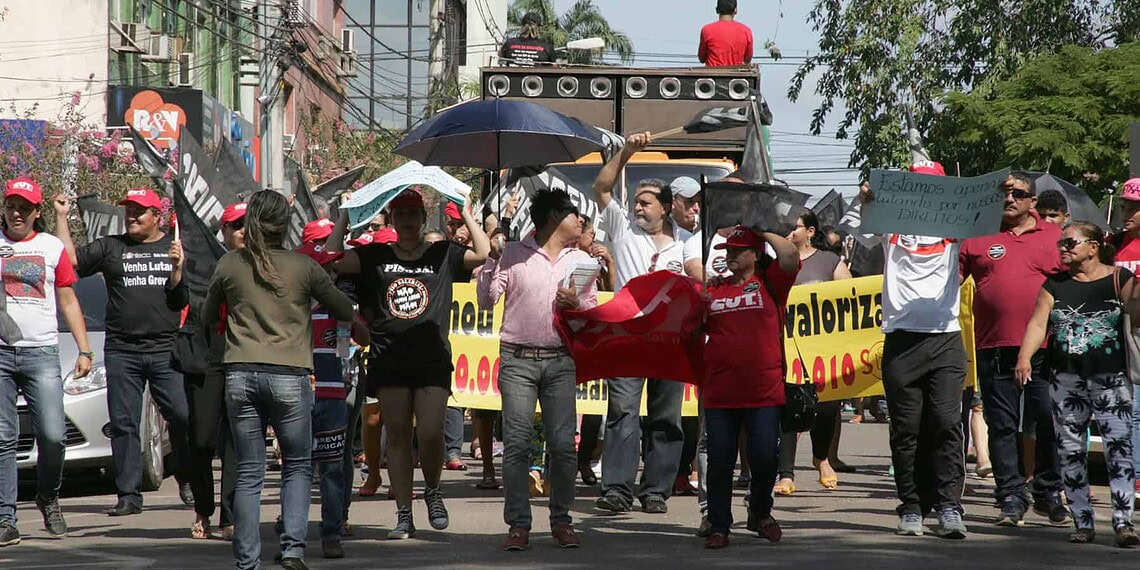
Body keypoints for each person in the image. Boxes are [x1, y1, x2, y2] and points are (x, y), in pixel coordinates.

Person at [203, 190, 356, 570]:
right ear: (286, 226)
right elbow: (341, 308)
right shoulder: (303, 267)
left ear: (251, 222)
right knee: (298, 466)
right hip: (290, 377)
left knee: (250, 471)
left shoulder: (229, 264)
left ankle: (247, 559)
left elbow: (208, 315)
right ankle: (292, 550)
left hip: (240, 375)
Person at [328, 189, 489, 539]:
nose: (407, 220)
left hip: (432, 359)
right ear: (392, 216)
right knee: (398, 436)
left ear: (423, 216)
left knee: (430, 433)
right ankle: (403, 513)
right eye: (400, 214)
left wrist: (466, 214)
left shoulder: (442, 253)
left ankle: (432, 490)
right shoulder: (374, 255)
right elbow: (333, 255)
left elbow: (482, 253)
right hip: (389, 359)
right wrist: (346, 212)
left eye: (413, 214)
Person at [53, 188, 192, 516]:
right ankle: (128, 495)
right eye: (128, 210)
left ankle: (189, 477)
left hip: (165, 348)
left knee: (183, 416)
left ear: (157, 217)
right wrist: (60, 216)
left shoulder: (172, 248)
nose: (131, 216)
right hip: (122, 350)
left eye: (139, 211)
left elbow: (181, 300)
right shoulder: (111, 247)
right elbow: (70, 261)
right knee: (124, 423)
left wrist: (177, 268)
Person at [477, 189, 597, 551]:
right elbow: (486, 300)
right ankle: (519, 524)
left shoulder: (583, 261)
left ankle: (561, 520)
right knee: (515, 446)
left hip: (561, 361)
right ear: (552, 218)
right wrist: (490, 261)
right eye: (573, 214)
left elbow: (588, 317)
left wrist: (576, 305)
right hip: (516, 360)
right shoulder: (512, 253)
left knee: (563, 446)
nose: (580, 221)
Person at [591, 132, 701, 515]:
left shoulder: (687, 241)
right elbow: (602, 186)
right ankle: (617, 489)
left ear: (667, 208)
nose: (637, 208)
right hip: (627, 337)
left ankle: (656, 489)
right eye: (635, 202)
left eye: (645, 202)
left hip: (670, 342)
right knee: (622, 412)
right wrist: (626, 153)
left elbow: (696, 273)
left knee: (666, 418)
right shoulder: (623, 230)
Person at [1015, 221, 1140, 547]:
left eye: (1070, 242)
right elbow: (1038, 322)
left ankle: (1123, 523)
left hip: (1111, 380)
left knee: (1120, 452)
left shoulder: (1118, 279)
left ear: (1093, 246)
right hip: (1066, 380)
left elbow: (1137, 313)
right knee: (1070, 452)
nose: (1064, 248)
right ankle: (1083, 523)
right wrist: (1024, 357)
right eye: (1062, 244)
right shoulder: (1054, 285)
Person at [860, 167, 968, 539]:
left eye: (933, 185)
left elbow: (991, 216)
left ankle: (950, 506)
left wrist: (996, 194)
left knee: (946, 423)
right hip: (902, 341)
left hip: (945, 339)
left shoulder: (956, 222)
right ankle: (911, 506)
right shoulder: (891, 221)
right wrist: (869, 200)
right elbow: (866, 226)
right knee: (906, 431)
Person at [960, 172, 1067, 527]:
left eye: (1018, 194)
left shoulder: (1054, 237)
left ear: (1033, 201)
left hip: (1044, 347)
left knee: (1047, 421)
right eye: (1004, 193)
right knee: (1002, 425)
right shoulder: (977, 236)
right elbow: (948, 279)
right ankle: (1010, 496)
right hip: (993, 345)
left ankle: (1049, 492)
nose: (1010, 199)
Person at [0, 178, 92, 546]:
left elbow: (68, 300)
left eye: (24, 207)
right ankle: (6, 518)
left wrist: (84, 350)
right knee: (3, 438)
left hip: (42, 353)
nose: (17, 212)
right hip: (2, 354)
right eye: (11, 205)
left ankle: (48, 496)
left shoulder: (51, 247)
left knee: (53, 436)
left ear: (37, 212)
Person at [702, 225, 799, 549]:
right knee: (720, 461)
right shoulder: (714, 290)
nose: (728, 256)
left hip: (763, 391)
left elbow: (789, 255)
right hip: (720, 392)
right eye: (727, 251)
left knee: (763, 459)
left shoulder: (772, 282)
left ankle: (759, 513)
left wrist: (762, 230)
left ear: (755, 255)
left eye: (736, 250)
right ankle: (718, 523)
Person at [295, 219, 371, 559]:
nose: (328, 272)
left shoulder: (341, 301)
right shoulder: (291, 304)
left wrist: (350, 318)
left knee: (334, 466)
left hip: (334, 393)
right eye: (321, 266)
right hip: (296, 395)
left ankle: (333, 529)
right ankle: (293, 534)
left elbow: (364, 338)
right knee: (296, 466)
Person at [775, 210, 854, 495]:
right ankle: (785, 473)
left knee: (827, 406)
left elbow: (850, 297)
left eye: (793, 227)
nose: (787, 232)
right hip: (788, 347)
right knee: (789, 407)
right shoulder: (779, 263)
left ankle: (821, 458)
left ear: (809, 232)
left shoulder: (829, 261)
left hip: (825, 352)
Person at [181, 202, 246, 540]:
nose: (243, 232)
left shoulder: (260, 265)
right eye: (236, 226)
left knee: (237, 441)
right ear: (223, 231)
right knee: (203, 440)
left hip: (243, 360)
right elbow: (176, 299)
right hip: (205, 360)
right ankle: (203, 508)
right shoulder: (203, 260)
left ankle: (230, 516)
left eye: (249, 225)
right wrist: (177, 271)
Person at [1108, 178, 1140, 503]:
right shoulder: (1112, 244)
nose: (1128, 211)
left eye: (1135, 207)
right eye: (1126, 205)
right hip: (1119, 330)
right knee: (1128, 405)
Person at [698, 0, 753, 67]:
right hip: (736, 76)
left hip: (712, 75)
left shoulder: (706, 30)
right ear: (735, 10)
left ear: (717, 10)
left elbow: (702, 59)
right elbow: (747, 60)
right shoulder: (746, 31)